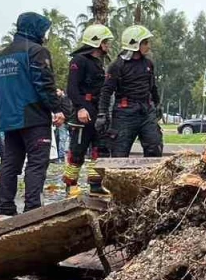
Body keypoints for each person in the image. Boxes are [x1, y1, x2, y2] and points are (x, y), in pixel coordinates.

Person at [0, 13, 65, 216]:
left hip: (9, 118)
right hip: (33, 116)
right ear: (36, 29)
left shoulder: (1, 56)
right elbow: (44, 84)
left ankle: (5, 207)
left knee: (10, 163)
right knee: (36, 163)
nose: (45, 35)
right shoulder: (36, 52)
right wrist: (57, 108)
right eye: (44, 30)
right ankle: (33, 209)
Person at [64, 24, 114, 195]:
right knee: (77, 150)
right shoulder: (78, 61)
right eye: (106, 42)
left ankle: (95, 185)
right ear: (97, 42)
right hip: (83, 111)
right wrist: (80, 108)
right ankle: (71, 184)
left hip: (97, 110)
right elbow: (71, 89)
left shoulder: (99, 63)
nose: (108, 45)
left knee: (99, 150)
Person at [98, 25, 162, 158]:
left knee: (154, 147)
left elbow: (153, 87)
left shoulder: (148, 64)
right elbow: (106, 91)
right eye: (145, 43)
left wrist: (157, 104)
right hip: (124, 114)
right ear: (135, 44)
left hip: (146, 112)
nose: (148, 46)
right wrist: (102, 113)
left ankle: (151, 172)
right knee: (119, 153)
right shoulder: (117, 66)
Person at [53, 87, 71, 164]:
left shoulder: (63, 99)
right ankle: (61, 156)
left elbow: (67, 110)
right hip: (64, 121)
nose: (56, 93)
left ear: (62, 90)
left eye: (57, 91)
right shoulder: (62, 99)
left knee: (62, 139)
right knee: (62, 139)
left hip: (65, 121)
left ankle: (61, 156)